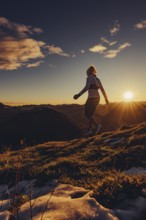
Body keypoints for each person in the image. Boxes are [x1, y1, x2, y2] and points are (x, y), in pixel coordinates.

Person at [73, 65, 109, 136]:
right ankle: (90, 130)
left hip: (91, 98)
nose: (86, 73)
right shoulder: (98, 79)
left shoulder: (89, 77)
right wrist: (106, 99)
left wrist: (78, 95)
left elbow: (87, 87)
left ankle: (97, 126)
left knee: (87, 114)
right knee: (90, 114)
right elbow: (102, 89)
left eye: (87, 72)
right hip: (97, 98)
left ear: (88, 72)